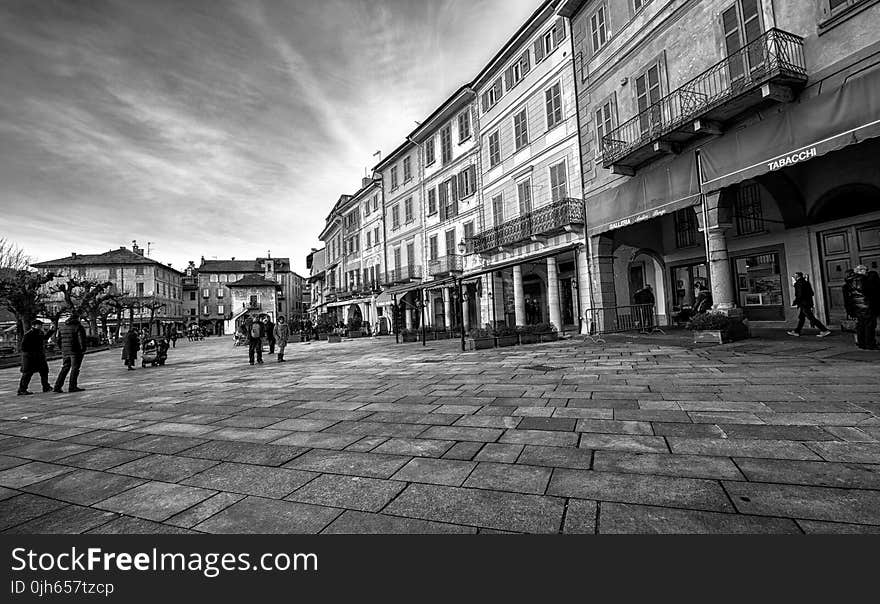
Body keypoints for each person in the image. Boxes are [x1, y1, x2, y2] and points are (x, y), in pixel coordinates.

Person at [787, 272, 831, 338]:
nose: (794, 277)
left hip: (803, 304)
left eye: (795, 276)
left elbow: (799, 294)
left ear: (797, 276)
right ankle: (797, 331)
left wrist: (795, 301)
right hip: (808, 303)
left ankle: (824, 330)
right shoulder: (806, 282)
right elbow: (812, 293)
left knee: (810, 317)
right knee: (801, 318)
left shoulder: (798, 284)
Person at [843, 265, 877, 350]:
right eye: (866, 270)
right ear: (860, 271)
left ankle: (861, 343)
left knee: (860, 325)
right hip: (866, 306)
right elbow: (869, 292)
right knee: (869, 326)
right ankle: (870, 344)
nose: (867, 272)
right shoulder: (864, 280)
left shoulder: (850, 281)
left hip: (857, 306)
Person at [53, 313, 87, 393]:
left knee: (65, 368)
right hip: (75, 350)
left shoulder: (62, 327)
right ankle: (72, 386)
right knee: (75, 368)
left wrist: (62, 348)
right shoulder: (78, 327)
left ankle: (57, 386)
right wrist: (83, 349)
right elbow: (81, 339)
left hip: (65, 351)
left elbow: (58, 340)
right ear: (78, 319)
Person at [17, 319, 53, 395]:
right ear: (33, 326)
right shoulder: (29, 334)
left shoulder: (40, 332)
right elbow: (23, 347)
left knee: (44, 371)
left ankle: (46, 386)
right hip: (30, 357)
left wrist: (51, 331)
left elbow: (44, 338)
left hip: (39, 356)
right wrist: (31, 352)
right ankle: (22, 389)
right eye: (38, 325)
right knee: (27, 373)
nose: (40, 326)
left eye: (41, 325)